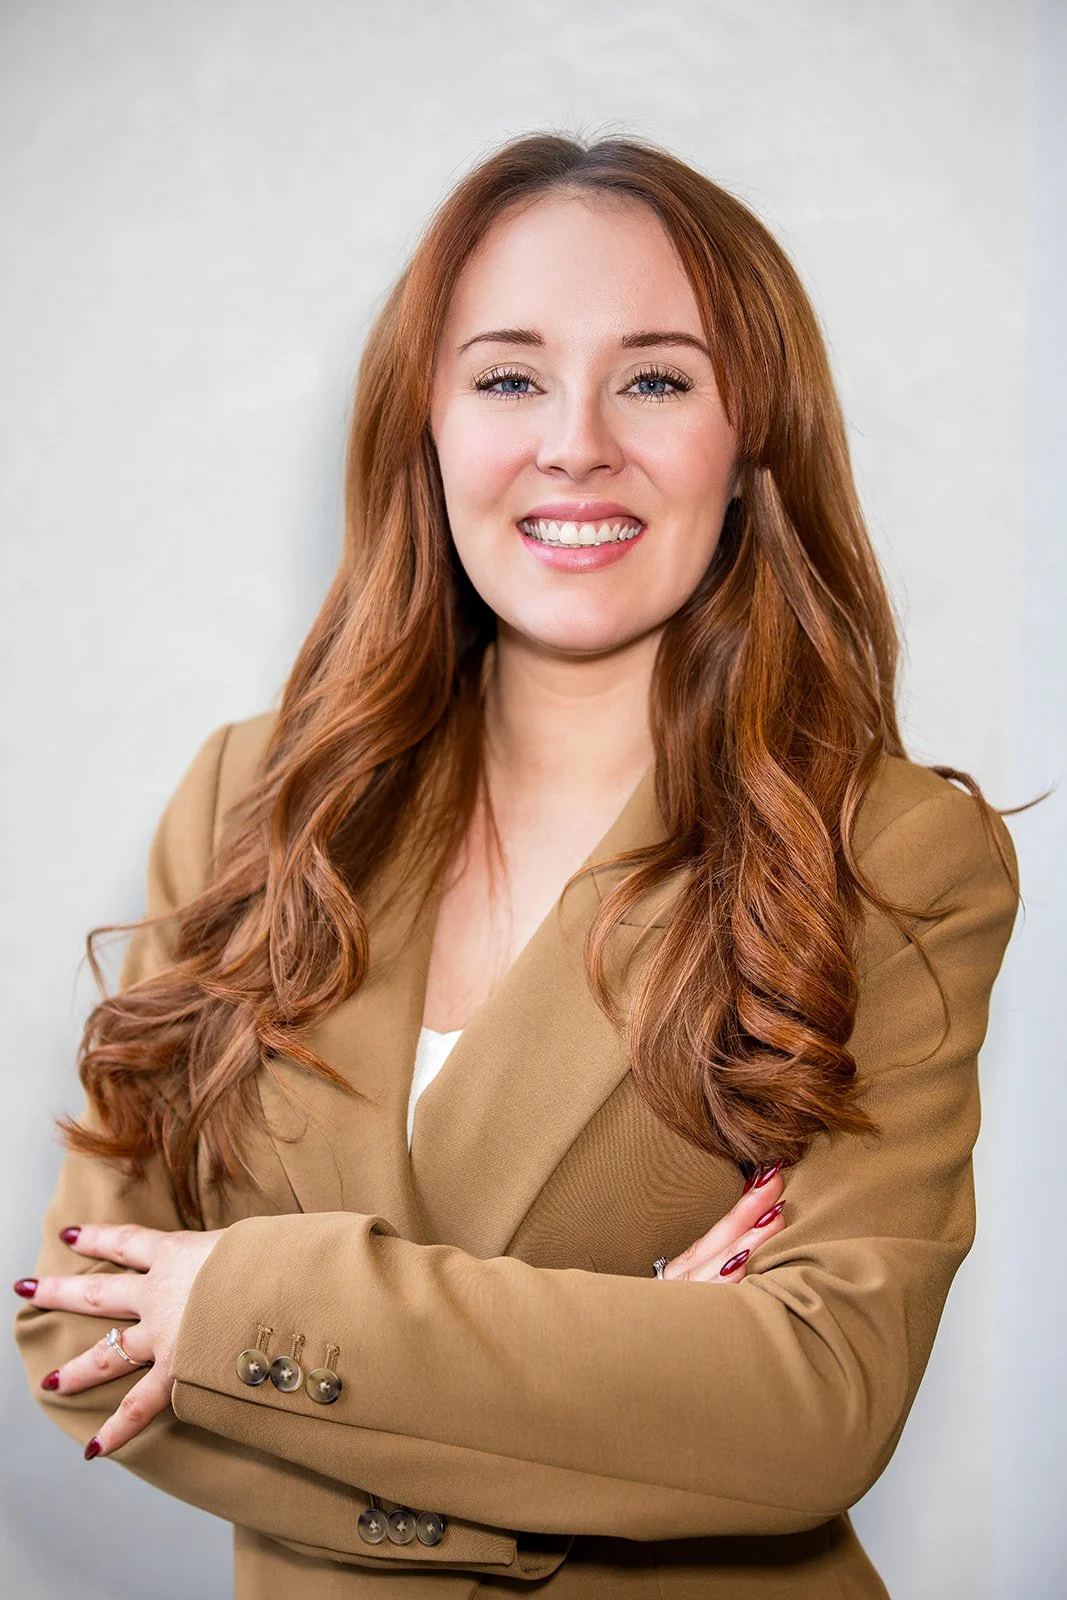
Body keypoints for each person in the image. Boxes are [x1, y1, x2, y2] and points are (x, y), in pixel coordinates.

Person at [12, 131, 1031, 1599]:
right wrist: (614, 1389)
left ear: (752, 442)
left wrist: (241, 1304)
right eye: (507, 379)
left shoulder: (889, 852)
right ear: (423, 426)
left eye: (655, 380)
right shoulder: (253, 797)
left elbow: (816, 1398)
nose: (576, 443)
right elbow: (78, 1329)